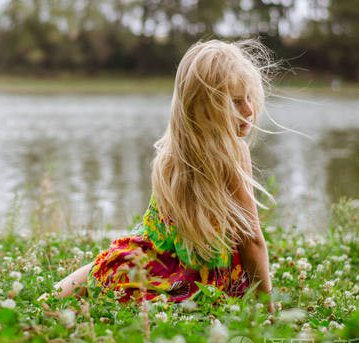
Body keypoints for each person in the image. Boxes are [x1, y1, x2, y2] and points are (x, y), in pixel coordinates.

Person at [53, 39, 274, 312]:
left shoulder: (171, 151)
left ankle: (47, 300)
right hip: (203, 282)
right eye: (236, 102)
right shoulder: (233, 153)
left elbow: (148, 236)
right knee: (114, 264)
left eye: (249, 98)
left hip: (157, 267)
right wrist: (268, 310)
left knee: (107, 265)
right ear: (204, 107)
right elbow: (251, 241)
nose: (249, 111)